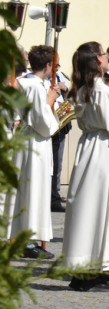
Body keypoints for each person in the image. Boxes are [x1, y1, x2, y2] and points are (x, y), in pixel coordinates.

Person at [63, 42, 109, 292]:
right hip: (103, 151)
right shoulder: (101, 90)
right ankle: (87, 274)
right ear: (98, 59)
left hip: (90, 149)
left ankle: (89, 269)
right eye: (104, 54)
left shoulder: (84, 88)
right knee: (97, 209)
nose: (106, 58)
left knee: (91, 209)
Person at [10, 45, 60, 258]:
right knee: (33, 191)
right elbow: (42, 122)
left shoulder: (23, 82)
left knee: (26, 190)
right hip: (35, 142)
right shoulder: (36, 87)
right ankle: (27, 240)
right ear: (48, 65)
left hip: (25, 139)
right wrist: (50, 102)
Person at [50, 61, 72, 213]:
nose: (57, 66)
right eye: (54, 64)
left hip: (61, 120)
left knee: (58, 161)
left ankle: (54, 192)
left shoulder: (60, 76)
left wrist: (64, 88)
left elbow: (69, 90)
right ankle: (51, 196)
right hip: (49, 121)